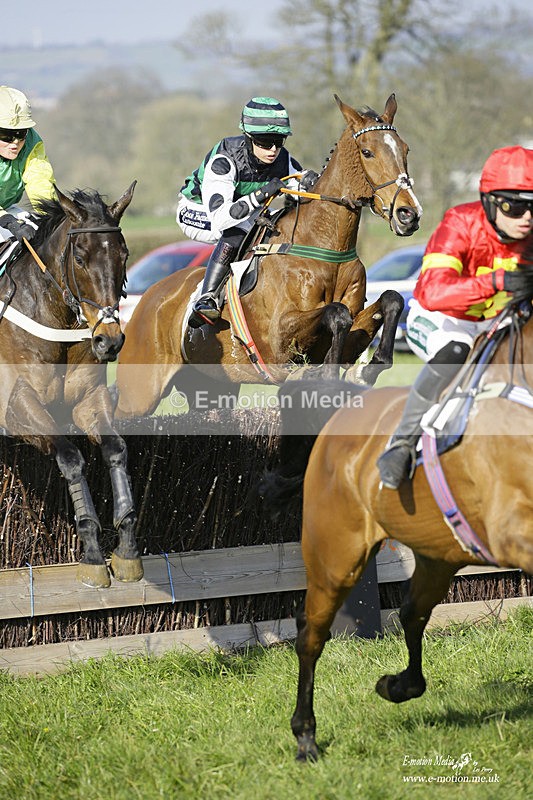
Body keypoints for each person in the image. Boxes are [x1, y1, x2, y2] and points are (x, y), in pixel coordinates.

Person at [377, 144, 533, 490]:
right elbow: (434, 292)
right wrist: (497, 282)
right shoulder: (460, 223)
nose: (527, 217)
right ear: (490, 202)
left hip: (494, 322)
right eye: (515, 205)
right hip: (440, 317)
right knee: (456, 351)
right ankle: (401, 443)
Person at [177, 96, 318, 327]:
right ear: (249, 137)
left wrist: (315, 181)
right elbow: (221, 218)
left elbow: (300, 190)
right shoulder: (223, 160)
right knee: (237, 228)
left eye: (279, 141)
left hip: (241, 211)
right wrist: (261, 194)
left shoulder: (283, 159)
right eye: (264, 141)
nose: (273, 149)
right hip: (197, 211)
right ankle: (207, 297)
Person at [0, 86, 56, 249]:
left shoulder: (32, 143)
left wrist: (53, 215)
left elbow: (40, 182)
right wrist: (8, 221)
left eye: (20, 133)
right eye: (6, 135)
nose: (15, 142)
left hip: (6, 208)